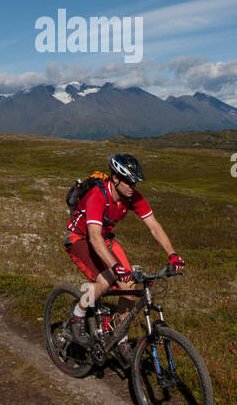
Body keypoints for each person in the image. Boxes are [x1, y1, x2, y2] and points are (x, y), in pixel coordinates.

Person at [64, 153, 184, 360]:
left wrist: (172, 255)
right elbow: (93, 237)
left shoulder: (133, 197)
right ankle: (78, 315)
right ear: (115, 178)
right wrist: (115, 267)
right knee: (107, 279)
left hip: (105, 238)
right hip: (80, 238)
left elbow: (154, 227)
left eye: (135, 182)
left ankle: (120, 340)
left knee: (129, 288)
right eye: (128, 181)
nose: (133, 186)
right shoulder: (98, 196)